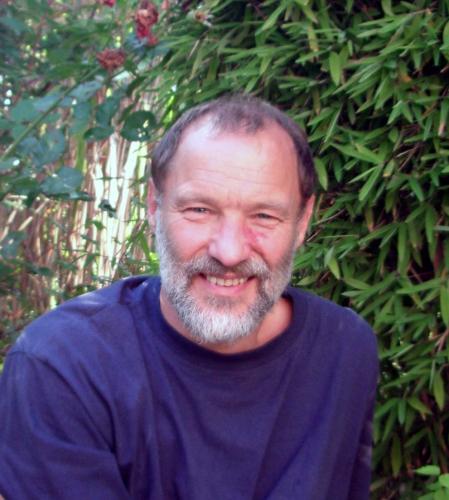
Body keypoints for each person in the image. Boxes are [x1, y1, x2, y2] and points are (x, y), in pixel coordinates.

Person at [0, 95, 378, 499]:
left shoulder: (344, 350)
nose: (229, 252)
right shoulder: (63, 367)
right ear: (154, 207)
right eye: (199, 210)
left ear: (302, 222)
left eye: (264, 216)